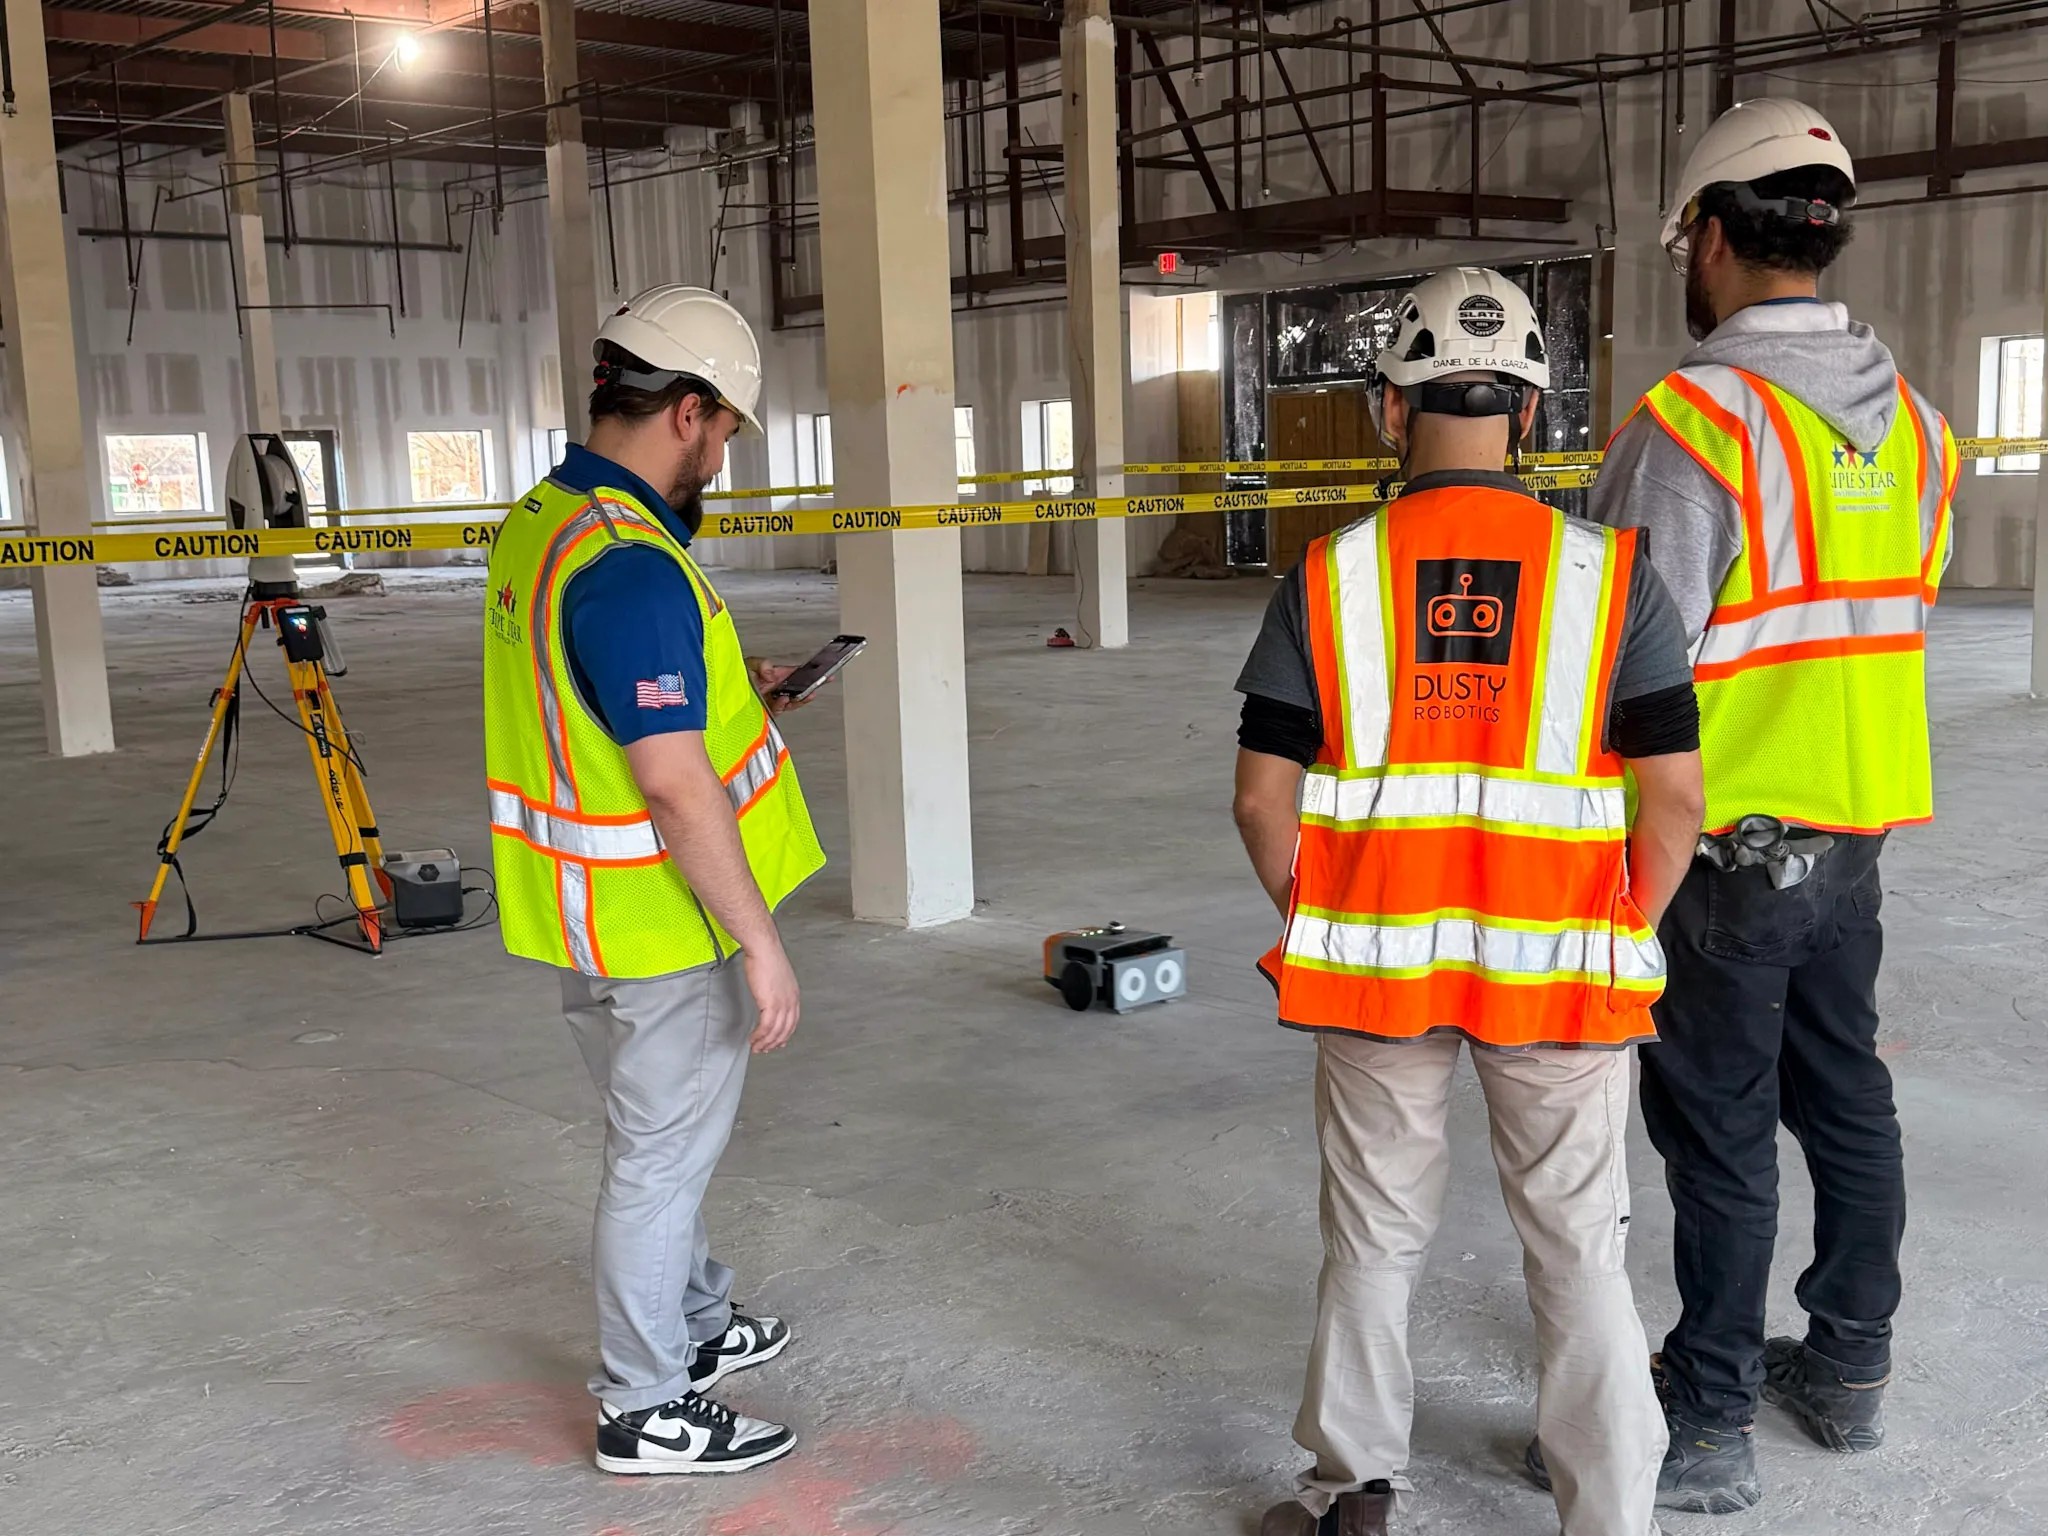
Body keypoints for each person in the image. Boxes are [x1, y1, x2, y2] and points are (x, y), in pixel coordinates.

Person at [1237, 266, 1706, 1536]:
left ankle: (1352, 1493)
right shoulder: (1614, 577)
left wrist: (1327, 915)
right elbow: (1671, 803)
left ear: (1390, 412)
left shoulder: (1327, 576)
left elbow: (1259, 801)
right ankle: (1607, 1512)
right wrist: (1615, 929)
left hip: (1377, 981)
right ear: (1534, 419)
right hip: (1560, 981)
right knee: (1576, 1249)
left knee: (1375, 1239)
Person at [1557, 99, 1957, 1514]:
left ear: (1712, 238)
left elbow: (1624, 658)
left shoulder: (1689, 425)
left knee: (1718, 1127)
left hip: (1722, 845)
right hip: (1855, 832)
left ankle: (1711, 1411)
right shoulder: (1915, 427)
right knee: (1846, 1094)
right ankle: (1847, 1370)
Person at [482, 285, 828, 1476]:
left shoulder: (548, 519)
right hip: (659, 926)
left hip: (579, 912)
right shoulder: (629, 565)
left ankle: (695, 1320)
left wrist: (747, 692)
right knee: (658, 1162)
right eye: (726, 430)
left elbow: (606, 709)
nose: (722, 455)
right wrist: (760, 944)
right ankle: (644, 1404)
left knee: (655, 1146)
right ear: (686, 411)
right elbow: (676, 787)